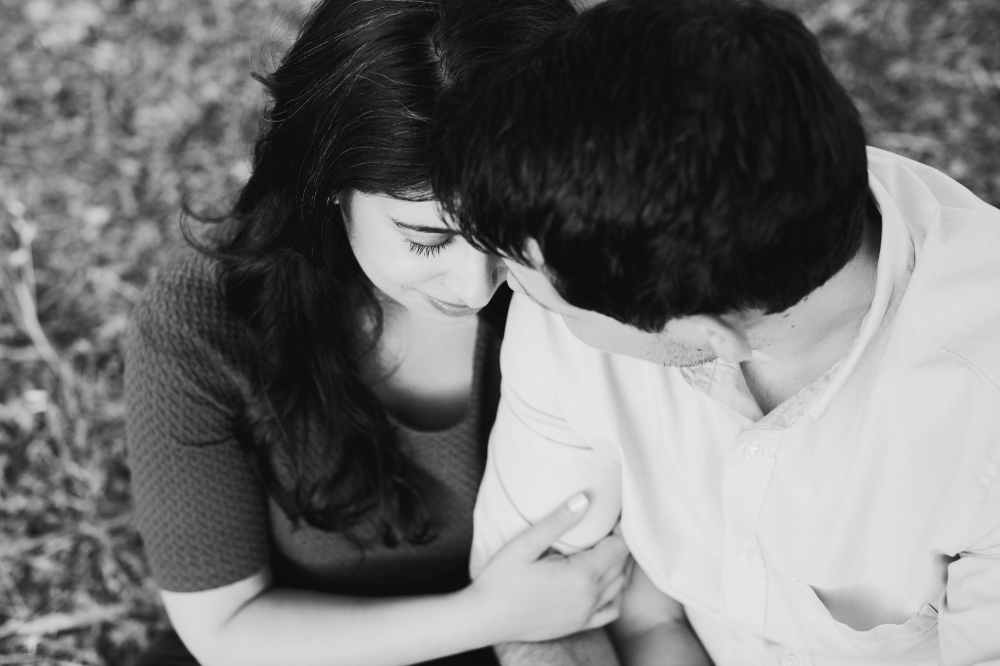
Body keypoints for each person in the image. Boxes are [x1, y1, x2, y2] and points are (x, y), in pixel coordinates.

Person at [430, 0, 1000, 664]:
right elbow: (537, 606)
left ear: (708, 338)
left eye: (533, 285)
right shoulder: (566, 247)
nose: (496, 286)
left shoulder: (981, 427)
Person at [123, 0, 632, 664]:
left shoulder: (594, 276)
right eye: (426, 240)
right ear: (328, 183)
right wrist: (485, 616)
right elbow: (225, 627)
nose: (477, 287)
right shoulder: (205, 320)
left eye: (511, 233)